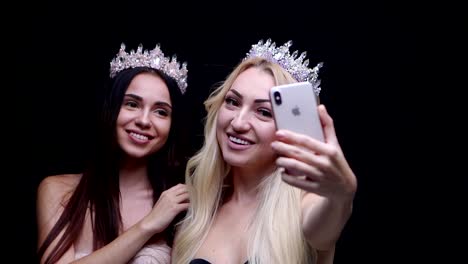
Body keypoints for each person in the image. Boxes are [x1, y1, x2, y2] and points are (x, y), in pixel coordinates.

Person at [172, 39, 357, 264]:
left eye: (263, 112)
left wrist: (341, 195)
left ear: (292, 127)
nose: (238, 122)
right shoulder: (199, 210)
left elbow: (324, 232)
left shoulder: (305, 206)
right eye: (232, 102)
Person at [36, 43, 190, 264]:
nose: (144, 121)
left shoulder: (179, 203)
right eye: (132, 104)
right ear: (111, 108)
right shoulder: (59, 192)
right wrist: (147, 226)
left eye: (160, 111)